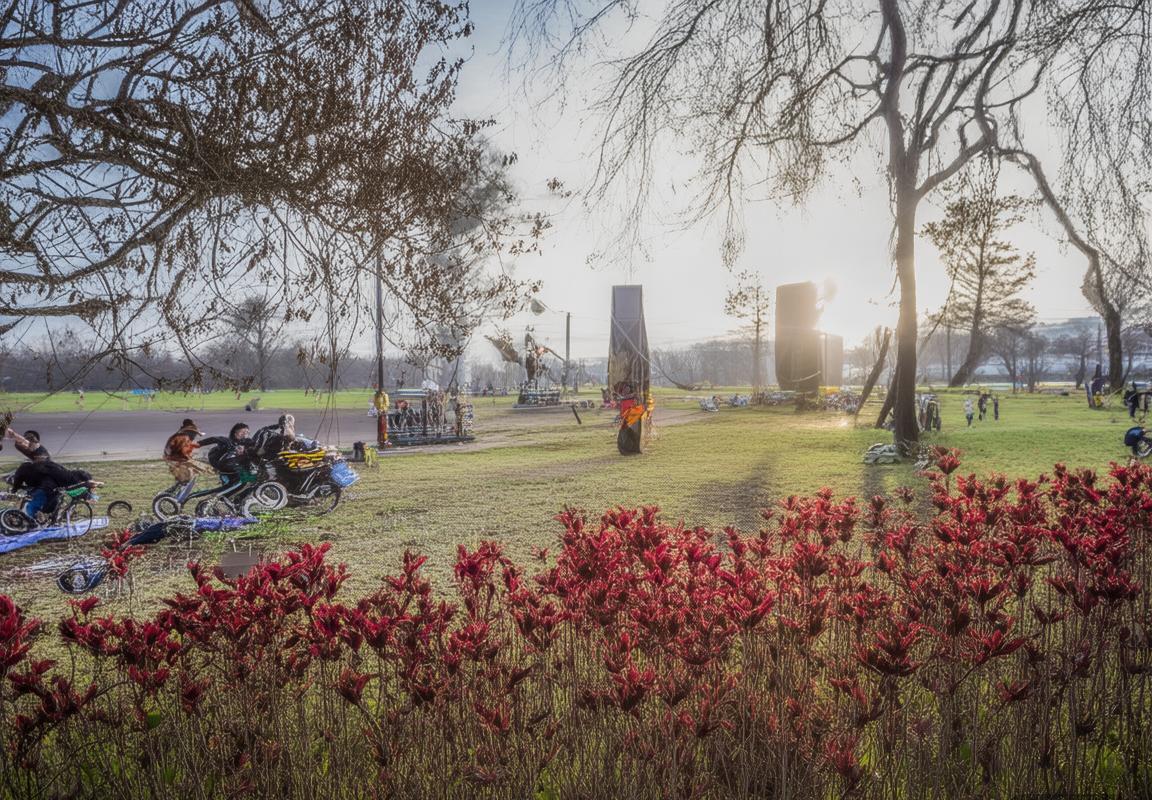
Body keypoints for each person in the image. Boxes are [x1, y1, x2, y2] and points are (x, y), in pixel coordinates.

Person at [10, 457, 98, 521]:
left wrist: (14, 489)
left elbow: (17, 481)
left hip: (48, 486)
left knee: (37, 502)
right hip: (54, 483)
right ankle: (45, 517)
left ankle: (30, 520)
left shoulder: (24, 470)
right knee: (50, 501)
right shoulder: (44, 466)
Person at [163, 419, 208, 486]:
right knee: (189, 476)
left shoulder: (180, 435)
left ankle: (180, 485)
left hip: (173, 459)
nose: (195, 437)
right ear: (190, 433)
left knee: (188, 475)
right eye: (195, 434)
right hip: (175, 460)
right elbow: (181, 453)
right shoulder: (183, 438)